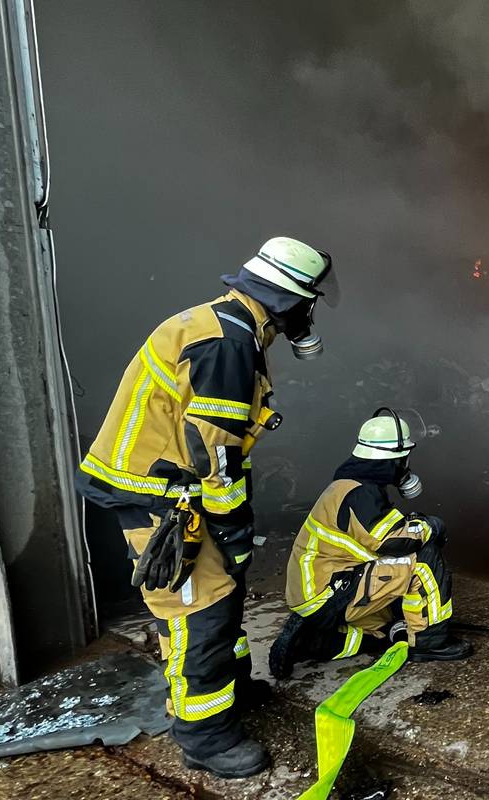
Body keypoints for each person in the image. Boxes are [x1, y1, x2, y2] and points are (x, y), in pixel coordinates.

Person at [76, 236, 338, 778]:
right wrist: (232, 524)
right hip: (161, 495)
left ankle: (232, 689)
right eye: (309, 301)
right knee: (202, 608)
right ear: (293, 301)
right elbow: (213, 449)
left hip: (167, 486)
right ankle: (205, 738)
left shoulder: (225, 325)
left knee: (224, 592)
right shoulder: (227, 343)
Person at [269, 410, 472, 680]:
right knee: (424, 559)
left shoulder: (350, 486)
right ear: (395, 457)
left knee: (387, 630)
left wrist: (414, 524)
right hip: (330, 591)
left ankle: (312, 641)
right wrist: (431, 526)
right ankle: (431, 643)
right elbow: (393, 541)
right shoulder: (361, 493)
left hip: (321, 591)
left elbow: (378, 534)